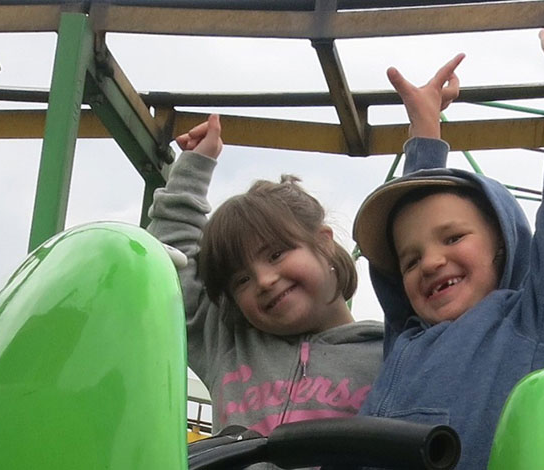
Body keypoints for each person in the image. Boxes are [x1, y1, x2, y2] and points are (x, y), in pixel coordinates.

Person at [351, 0, 544, 467]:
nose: (430, 261)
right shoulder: (407, 341)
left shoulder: (534, 324)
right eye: (410, 260)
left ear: (502, 245)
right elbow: (400, 276)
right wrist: (424, 134)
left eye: (453, 239)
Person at [148, 115, 383, 438]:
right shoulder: (230, 344)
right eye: (241, 280)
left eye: (276, 254)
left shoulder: (386, 353)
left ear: (324, 243)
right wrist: (194, 166)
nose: (264, 281)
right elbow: (172, 266)